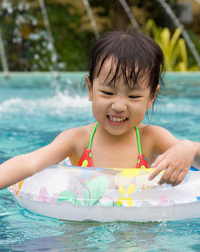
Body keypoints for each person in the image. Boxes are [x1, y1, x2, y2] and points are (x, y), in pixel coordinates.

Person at [0, 30, 200, 190]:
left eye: (133, 96)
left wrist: (190, 148)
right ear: (90, 89)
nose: (119, 106)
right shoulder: (77, 140)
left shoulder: (153, 139)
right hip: (84, 237)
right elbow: (30, 162)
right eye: (107, 92)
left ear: (151, 97)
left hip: (137, 237)